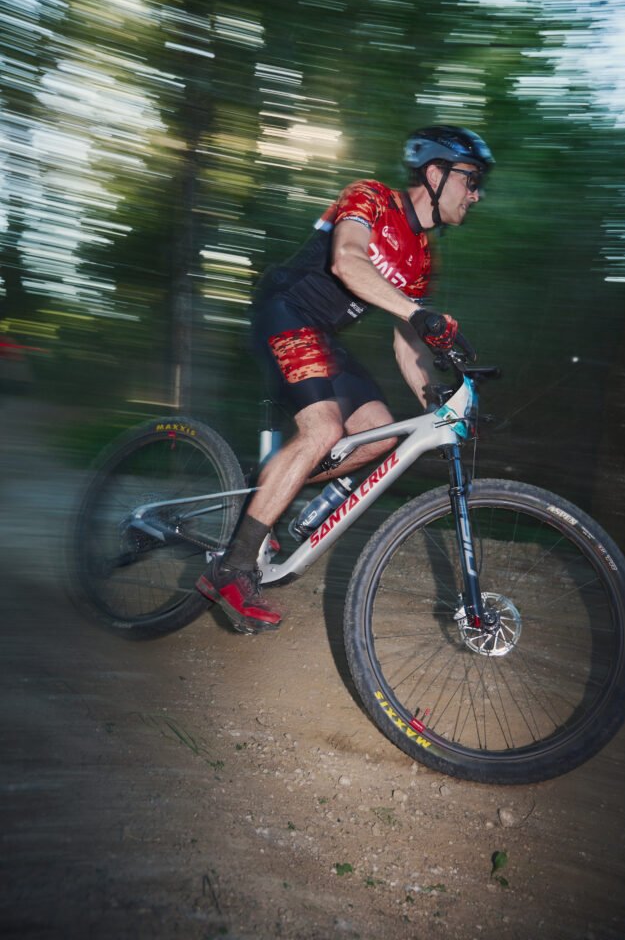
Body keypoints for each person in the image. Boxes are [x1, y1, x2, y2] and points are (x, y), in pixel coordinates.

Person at [196, 125, 495, 632]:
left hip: (323, 337)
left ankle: (264, 489)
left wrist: (440, 405)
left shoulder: (422, 257)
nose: (476, 193)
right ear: (435, 173)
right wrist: (418, 313)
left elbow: (407, 345)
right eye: (471, 179)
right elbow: (347, 260)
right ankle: (232, 569)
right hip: (285, 311)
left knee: (378, 434)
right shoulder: (370, 197)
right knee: (324, 429)